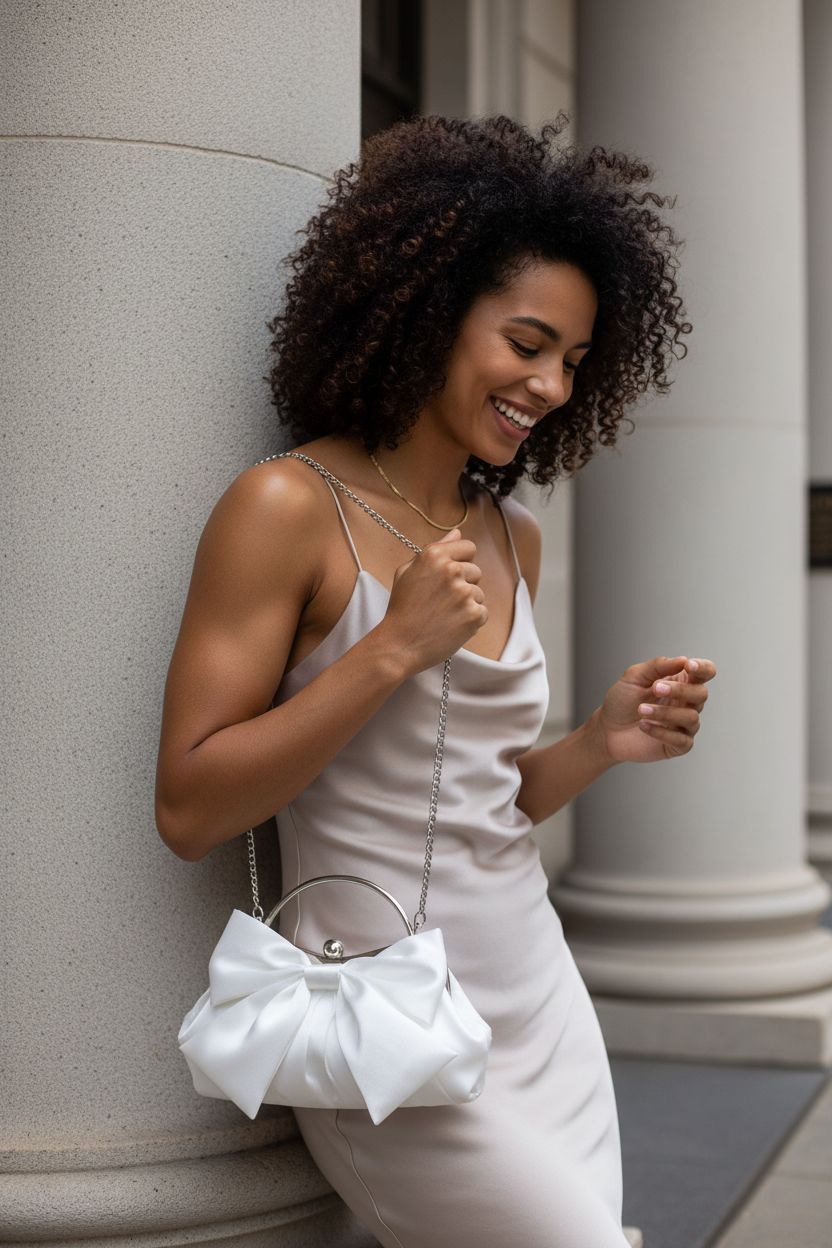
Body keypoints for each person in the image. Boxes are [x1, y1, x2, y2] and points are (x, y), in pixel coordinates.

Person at [155, 113, 716, 1248]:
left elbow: (481, 805)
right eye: (526, 342)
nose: (551, 384)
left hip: (538, 1002)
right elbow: (189, 805)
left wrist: (600, 741)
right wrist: (389, 651)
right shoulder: (285, 508)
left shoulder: (513, 539)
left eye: (573, 360)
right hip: (388, 1029)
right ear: (429, 308)